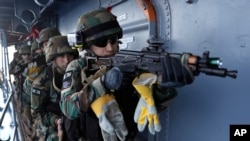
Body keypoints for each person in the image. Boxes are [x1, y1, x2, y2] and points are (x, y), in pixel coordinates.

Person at [60, 8, 194, 141]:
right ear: (88, 45)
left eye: (113, 40)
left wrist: (164, 88)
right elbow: (67, 108)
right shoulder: (78, 67)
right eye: (101, 42)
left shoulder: (127, 63)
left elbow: (151, 106)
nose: (110, 47)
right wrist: (102, 84)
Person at [31, 35, 79, 141]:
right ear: (54, 58)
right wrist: (55, 120)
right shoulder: (41, 83)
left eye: (70, 55)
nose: (67, 60)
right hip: (51, 123)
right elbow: (37, 114)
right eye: (61, 56)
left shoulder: (78, 73)